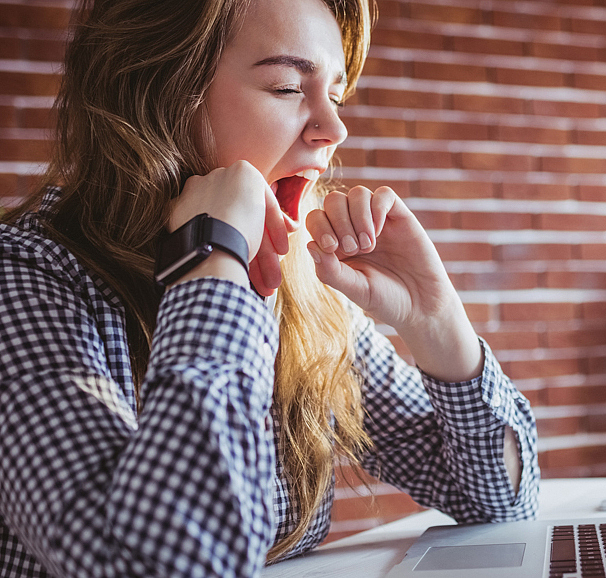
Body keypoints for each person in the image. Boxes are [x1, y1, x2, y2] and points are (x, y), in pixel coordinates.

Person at [0, 0, 539, 575]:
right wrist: (210, 258)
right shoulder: (27, 274)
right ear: (155, 93)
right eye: (286, 87)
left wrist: (434, 321)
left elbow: (499, 498)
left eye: (334, 93)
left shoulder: (301, 287)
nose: (334, 128)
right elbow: (156, 565)